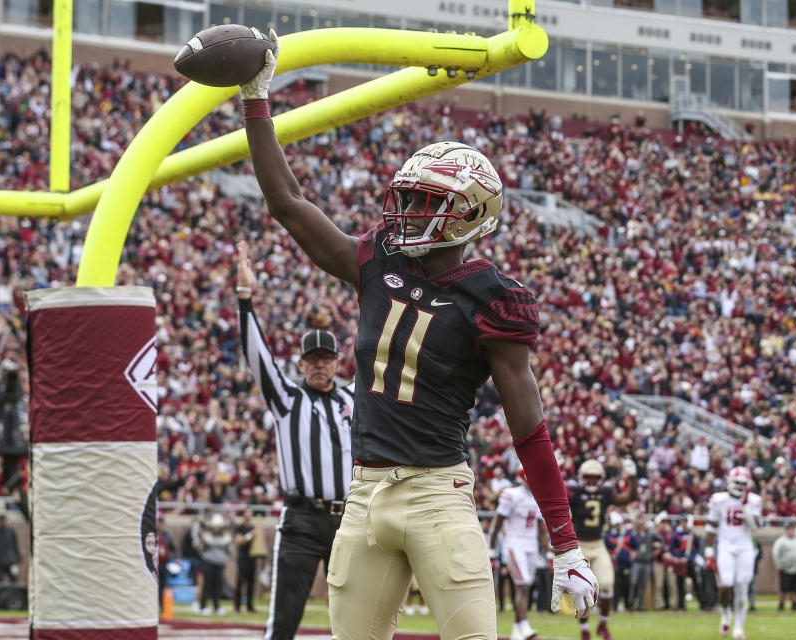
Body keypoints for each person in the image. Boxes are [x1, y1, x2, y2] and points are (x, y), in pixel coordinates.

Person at [239, 33, 598, 640]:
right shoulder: (380, 259)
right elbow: (288, 202)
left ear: (470, 216)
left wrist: (566, 544)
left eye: (425, 201)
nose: (405, 211)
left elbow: (528, 430)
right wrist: (255, 100)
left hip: (438, 495)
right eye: (407, 196)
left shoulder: (494, 298)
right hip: (364, 493)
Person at [235, 241, 355, 639]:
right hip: (302, 520)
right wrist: (245, 299)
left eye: (327, 360)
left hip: (349, 520)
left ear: (338, 364)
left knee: (358, 618)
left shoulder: (354, 398)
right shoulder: (288, 398)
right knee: (284, 619)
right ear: (301, 365)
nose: (320, 366)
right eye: (313, 361)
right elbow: (258, 358)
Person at [568, 458, 637, 640]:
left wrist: (633, 477)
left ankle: (603, 625)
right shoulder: (574, 491)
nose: (591, 481)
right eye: (588, 477)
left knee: (606, 586)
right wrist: (556, 471)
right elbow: (554, 493)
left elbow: (629, 497)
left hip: (598, 545)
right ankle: (584, 631)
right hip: (579, 546)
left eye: (594, 477)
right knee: (581, 591)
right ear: (582, 477)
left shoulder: (606, 492)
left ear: (601, 478)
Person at [489, 469, 549, 640]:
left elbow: (541, 529)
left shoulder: (536, 496)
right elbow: (498, 522)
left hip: (531, 543)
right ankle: (523, 625)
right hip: (515, 543)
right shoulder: (511, 494)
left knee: (526, 585)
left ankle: (517, 630)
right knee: (522, 585)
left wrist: (548, 552)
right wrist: (492, 549)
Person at [704, 466, 762, 640]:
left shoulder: (753, 500)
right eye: (737, 482)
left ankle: (738, 627)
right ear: (729, 481)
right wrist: (708, 551)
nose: (739, 486)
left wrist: (746, 510)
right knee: (726, 583)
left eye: (743, 483)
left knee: (742, 586)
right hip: (725, 545)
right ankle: (726, 612)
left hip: (744, 545)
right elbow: (711, 526)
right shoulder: (718, 499)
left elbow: (756, 528)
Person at [196, 512, 233, 615]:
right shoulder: (208, 535)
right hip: (208, 561)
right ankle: (202, 606)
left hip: (220, 562)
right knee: (207, 584)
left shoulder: (225, 536)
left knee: (218, 585)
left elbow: (229, 548)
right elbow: (209, 542)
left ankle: (216, 607)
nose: (217, 529)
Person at [667, 515, 700, 611]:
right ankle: (681, 605)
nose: (684, 523)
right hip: (680, 563)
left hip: (690, 562)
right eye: (682, 521)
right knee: (680, 585)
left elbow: (696, 548)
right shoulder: (676, 535)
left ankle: (703, 603)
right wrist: (680, 558)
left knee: (696, 583)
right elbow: (672, 549)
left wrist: (690, 558)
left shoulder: (692, 535)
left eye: (685, 521)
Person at [771, 523, 796, 611]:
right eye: (789, 529)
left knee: (795, 589)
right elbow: (775, 553)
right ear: (786, 530)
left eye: (792, 529)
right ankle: (781, 605)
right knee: (784, 588)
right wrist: (778, 565)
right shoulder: (781, 541)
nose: (791, 531)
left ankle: (794, 604)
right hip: (786, 569)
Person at [629, 514, 659, 611]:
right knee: (633, 582)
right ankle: (630, 604)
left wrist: (657, 550)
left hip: (646, 562)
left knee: (643, 584)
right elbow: (628, 544)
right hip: (637, 562)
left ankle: (640, 605)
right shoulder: (634, 533)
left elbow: (661, 541)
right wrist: (631, 552)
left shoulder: (650, 533)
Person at [233, 509, 258, 613]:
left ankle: (249, 606)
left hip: (252, 557)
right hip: (243, 557)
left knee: (251, 583)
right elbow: (238, 541)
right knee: (240, 581)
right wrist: (250, 535)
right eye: (247, 513)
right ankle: (237, 605)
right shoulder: (240, 527)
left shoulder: (253, 527)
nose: (249, 515)